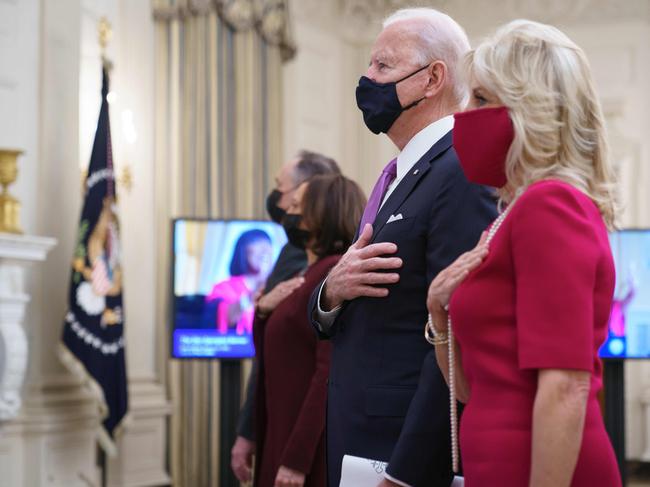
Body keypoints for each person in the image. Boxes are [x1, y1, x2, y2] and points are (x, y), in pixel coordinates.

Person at [426, 20, 622, 487]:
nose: (465, 114)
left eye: (482, 99)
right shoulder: (510, 214)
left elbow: (566, 386)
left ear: (530, 111)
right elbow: (473, 388)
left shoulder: (550, 203)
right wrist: (438, 312)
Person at [308, 8, 497, 487]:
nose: (366, 79)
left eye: (382, 67)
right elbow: (350, 305)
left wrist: (409, 472)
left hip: (401, 455)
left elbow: (454, 330)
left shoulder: (462, 169)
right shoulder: (398, 173)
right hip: (357, 440)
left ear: (433, 78)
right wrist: (331, 290)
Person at [231, 150, 341, 483]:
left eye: (282, 189)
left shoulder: (324, 266)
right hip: (281, 419)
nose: (278, 200)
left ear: (308, 194)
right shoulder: (296, 254)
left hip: (299, 431)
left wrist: (251, 431)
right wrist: (262, 310)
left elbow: (319, 364)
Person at [254, 174, 366, 487]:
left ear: (322, 213)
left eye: (297, 206)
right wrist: (262, 312)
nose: (289, 212)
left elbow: (326, 374)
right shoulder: (309, 272)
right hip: (283, 429)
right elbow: (278, 352)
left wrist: (296, 459)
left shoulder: (332, 274)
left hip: (306, 450)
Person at [206, 229, 273, 334]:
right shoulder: (224, 288)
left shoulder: (279, 287)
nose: (264, 248)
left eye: (268, 243)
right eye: (256, 242)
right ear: (243, 250)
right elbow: (228, 318)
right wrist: (256, 290)